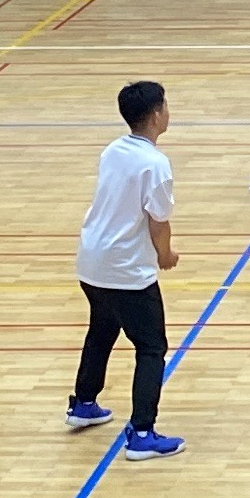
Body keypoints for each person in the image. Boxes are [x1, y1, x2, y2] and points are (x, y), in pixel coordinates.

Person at [68, 80, 183, 459]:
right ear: (156, 115)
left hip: (92, 260)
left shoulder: (113, 150)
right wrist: (164, 254)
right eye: (165, 106)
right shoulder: (155, 164)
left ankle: (84, 402)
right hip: (126, 269)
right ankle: (142, 433)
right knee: (152, 347)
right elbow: (158, 220)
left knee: (102, 329)